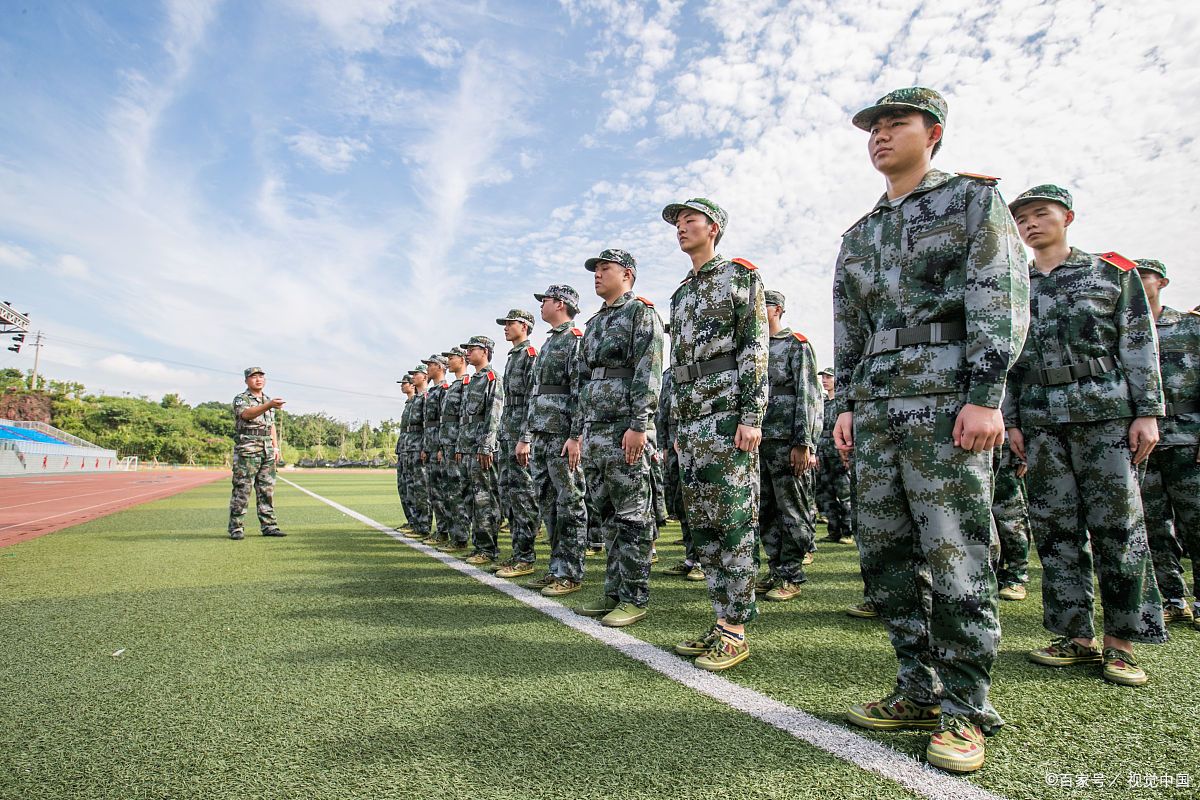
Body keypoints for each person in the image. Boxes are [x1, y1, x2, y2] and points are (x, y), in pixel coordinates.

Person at [833, 88, 1029, 773]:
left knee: (956, 551)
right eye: (874, 128)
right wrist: (846, 405)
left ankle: (966, 708)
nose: (880, 136)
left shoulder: (972, 202)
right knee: (886, 558)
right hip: (880, 405)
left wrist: (986, 394)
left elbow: (998, 294)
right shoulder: (859, 234)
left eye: (896, 124)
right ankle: (918, 686)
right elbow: (850, 329)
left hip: (947, 399)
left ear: (933, 132)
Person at [1004, 184, 1166, 688]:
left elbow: (1138, 342)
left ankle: (1122, 641)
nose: (1031, 224)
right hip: (1040, 419)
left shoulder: (1112, 273)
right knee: (1056, 531)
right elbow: (1004, 358)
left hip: (1104, 416)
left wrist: (1149, 412)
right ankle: (1074, 635)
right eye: (1022, 218)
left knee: (1118, 528)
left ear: (1067, 216)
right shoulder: (1013, 282)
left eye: (1041, 214)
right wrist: (1011, 420)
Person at [663, 197, 768, 672]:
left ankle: (738, 629)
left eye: (690, 221)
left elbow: (754, 346)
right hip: (693, 420)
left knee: (734, 524)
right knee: (703, 525)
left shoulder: (739, 276)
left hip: (728, 416)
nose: (681, 228)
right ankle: (722, 616)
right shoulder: (682, 293)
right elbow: (676, 366)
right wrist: (679, 426)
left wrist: (752, 416)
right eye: (678, 223)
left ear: (715, 228)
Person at [574, 248, 664, 628]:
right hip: (595, 432)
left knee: (632, 516)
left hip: (624, 430)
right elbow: (583, 381)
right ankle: (613, 590)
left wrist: (639, 425)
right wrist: (578, 432)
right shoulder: (594, 323)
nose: (597, 274)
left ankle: (634, 596)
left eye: (604, 268)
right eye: (595, 269)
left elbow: (649, 369)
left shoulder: (640, 313)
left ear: (626, 274)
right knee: (607, 516)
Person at [1135, 258, 1200, 627]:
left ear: (1162, 282)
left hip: (1187, 438)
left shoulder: (1190, 327)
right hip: (1144, 444)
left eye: (1143, 277)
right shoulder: (1121, 327)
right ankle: (1172, 597)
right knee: (1152, 524)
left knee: (1196, 521)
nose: (1137, 282)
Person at [516, 284, 589, 596]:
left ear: (560, 304)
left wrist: (575, 436)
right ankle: (556, 567)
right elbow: (536, 394)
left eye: (544, 301)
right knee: (548, 502)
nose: (540, 306)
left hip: (562, 435)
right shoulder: (548, 344)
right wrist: (527, 436)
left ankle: (570, 572)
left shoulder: (574, 340)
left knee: (569, 502)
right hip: (544, 433)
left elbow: (580, 390)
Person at [756, 289, 821, 602]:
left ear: (777, 309)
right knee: (764, 511)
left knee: (791, 509)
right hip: (758, 440)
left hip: (786, 441)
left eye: (763, 304)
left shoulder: (796, 344)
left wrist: (803, 442)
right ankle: (774, 569)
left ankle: (792, 575)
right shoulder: (753, 348)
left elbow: (809, 396)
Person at [494, 310, 541, 577]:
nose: (505, 328)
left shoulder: (529, 356)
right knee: (509, 495)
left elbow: (532, 400)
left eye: (509, 323)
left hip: (520, 436)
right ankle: (517, 553)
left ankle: (526, 557)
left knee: (523, 496)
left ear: (524, 326)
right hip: (508, 433)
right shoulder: (513, 357)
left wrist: (525, 437)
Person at [457, 336, 505, 566]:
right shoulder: (471, 381)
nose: (467, 353)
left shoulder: (491, 378)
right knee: (469, 498)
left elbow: (493, 414)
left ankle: (488, 549)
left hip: (480, 448)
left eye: (471, 349)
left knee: (484, 499)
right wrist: (459, 445)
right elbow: (463, 418)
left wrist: (486, 446)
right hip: (467, 446)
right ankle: (478, 545)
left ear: (484, 351)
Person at [657, 367, 705, 582]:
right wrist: (664, 444)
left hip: (694, 438)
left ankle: (704, 561)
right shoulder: (668, 373)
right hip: (674, 443)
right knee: (682, 503)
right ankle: (691, 558)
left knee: (700, 502)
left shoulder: (698, 365)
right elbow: (663, 411)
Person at [228, 367, 287, 539]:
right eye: (254, 377)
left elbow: (271, 425)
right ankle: (236, 528)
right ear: (247, 380)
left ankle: (269, 526)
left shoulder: (268, 400)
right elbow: (246, 414)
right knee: (242, 489)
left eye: (261, 376)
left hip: (266, 448)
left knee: (266, 490)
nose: (258, 379)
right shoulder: (242, 399)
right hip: (248, 448)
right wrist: (268, 405)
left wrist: (275, 447)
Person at [435, 347, 472, 554]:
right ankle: (454, 534)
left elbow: (464, 417)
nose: (448, 361)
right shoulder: (454, 386)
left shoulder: (467, 383)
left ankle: (460, 537)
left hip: (458, 444)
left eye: (451, 357)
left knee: (459, 492)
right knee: (450, 491)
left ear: (462, 359)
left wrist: (459, 443)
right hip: (448, 444)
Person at [815, 368, 855, 546]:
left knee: (844, 494)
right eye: (823, 377)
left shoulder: (843, 405)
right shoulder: (821, 403)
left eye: (829, 377)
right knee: (826, 494)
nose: (825, 380)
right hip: (823, 453)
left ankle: (848, 531)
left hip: (839, 453)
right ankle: (833, 530)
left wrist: (848, 454)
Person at [419, 354, 451, 546]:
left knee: (442, 491)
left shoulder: (444, 390)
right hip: (429, 445)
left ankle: (445, 531)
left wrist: (440, 446)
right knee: (433, 492)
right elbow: (428, 424)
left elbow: (444, 421)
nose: (428, 369)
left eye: (430, 365)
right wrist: (426, 446)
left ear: (439, 367)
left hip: (438, 445)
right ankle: (441, 530)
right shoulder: (432, 391)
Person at [400, 365, 434, 541]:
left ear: (425, 376)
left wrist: (425, 447)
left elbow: (427, 425)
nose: (413, 377)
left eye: (416, 374)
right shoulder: (414, 400)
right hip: (409, 447)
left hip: (419, 446)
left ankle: (423, 526)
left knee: (421, 489)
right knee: (410, 487)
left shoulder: (427, 397)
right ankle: (415, 522)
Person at [394, 374, 416, 532]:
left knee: (414, 488)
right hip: (404, 448)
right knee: (403, 487)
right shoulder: (408, 403)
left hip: (413, 448)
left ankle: (417, 523)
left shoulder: (418, 401)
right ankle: (411, 521)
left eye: (405, 383)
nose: (402, 386)